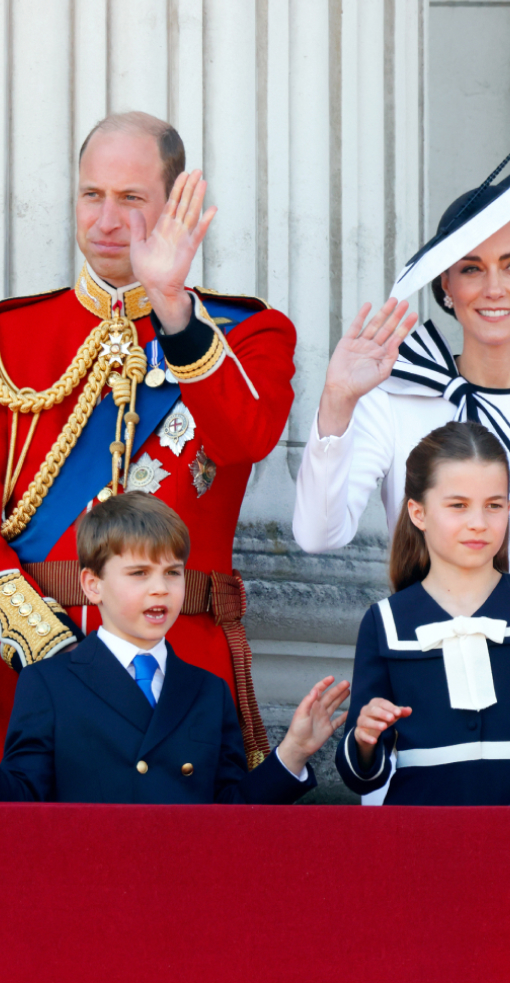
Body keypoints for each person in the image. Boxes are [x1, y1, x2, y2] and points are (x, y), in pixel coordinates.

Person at [293, 141, 510, 799]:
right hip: (416, 704)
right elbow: (316, 534)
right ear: (446, 284)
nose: (494, 288)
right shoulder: (393, 402)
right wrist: (338, 401)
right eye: (471, 268)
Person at [0, 111, 296, 768]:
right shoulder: (10, 338)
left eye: (131, 199)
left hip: (179, 670)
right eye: (92, 195)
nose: (107, 221)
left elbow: (247, 438)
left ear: (173, 207)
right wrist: (41, 642)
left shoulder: (247, 334)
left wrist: (171, 310)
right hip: (26, 673)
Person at [0, 492, 348, 803]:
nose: (160, 589)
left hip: (184, 874)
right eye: (139, 573)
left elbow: (232, 814)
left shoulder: (208, 691)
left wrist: (293, 752)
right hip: (88, 872)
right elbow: (21, 798)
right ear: (93, 585)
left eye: (172, 573)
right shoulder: (48, 684)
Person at [336, 421, 510, 805]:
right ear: (418, 513)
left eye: (494, 505)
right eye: (458, 505)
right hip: (418, 842)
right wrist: (364, 740)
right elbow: (360, 778)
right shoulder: (386, 622)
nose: (479, 522)